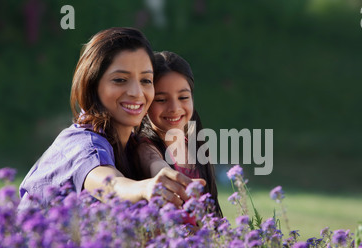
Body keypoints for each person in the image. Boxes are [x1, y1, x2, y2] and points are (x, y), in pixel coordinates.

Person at [19, 27, 200, 209]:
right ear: (92, 85)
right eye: (120, 80)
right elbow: (110, 183)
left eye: (146, 80)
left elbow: (143, 152)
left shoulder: (129, 144)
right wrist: (144, 188)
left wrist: (158, 167)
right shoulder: (82, 144)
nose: (137, 93)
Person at [137, 51, 222, 219]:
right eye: (161, 100)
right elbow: (154, 163)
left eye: (183, 97)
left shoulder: (195, 146)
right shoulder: (146, 146)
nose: (174, 108)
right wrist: (165, 174)